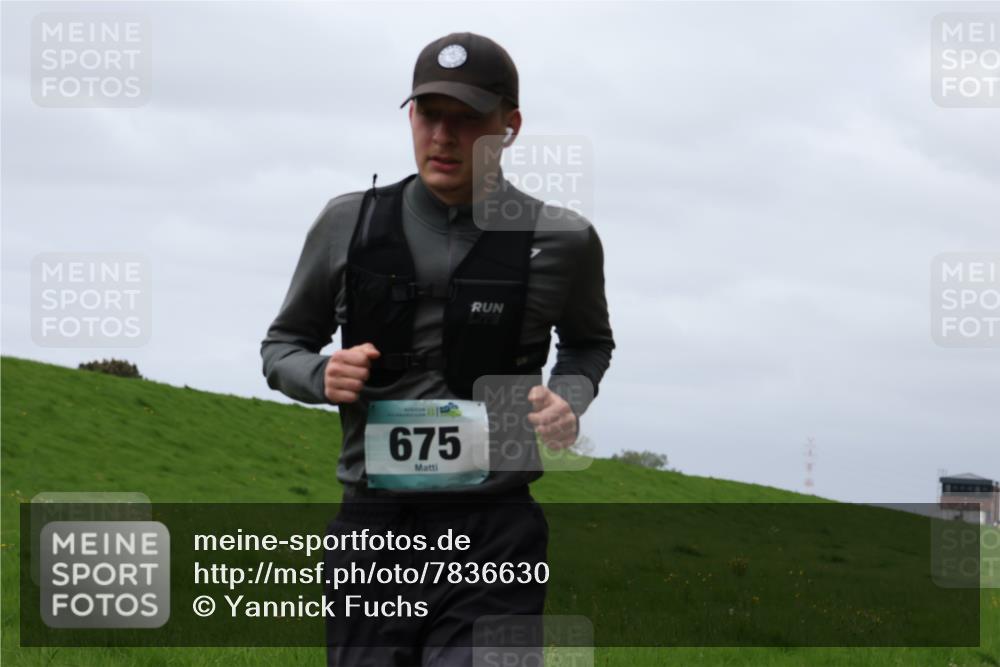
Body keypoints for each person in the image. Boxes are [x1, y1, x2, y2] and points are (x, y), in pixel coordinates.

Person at [260, 31, 614, 667]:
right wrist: (320, 374)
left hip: (495, 535)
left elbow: (589, 343)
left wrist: (568, 398)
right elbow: (282, 344)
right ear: (411, 117)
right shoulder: (346, 223)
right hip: (373, 530)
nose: (443, 137)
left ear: (509, 126)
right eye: (429, 115)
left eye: (467, 119)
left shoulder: (564, 239)